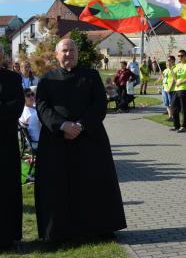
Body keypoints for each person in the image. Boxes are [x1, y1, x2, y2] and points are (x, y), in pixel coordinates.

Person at [35, 39, 126, 242]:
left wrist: (80, 125)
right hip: (56, 141)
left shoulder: (91, 76)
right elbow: (42, 107)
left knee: (94, 184)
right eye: (65, 51)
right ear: (57, 55)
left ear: (78, 54)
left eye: (72, 50)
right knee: (58, 187)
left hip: (89, 139)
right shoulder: (47, 79)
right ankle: (58, 232)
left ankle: (99, 229)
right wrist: (62, 125)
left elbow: (99, 104)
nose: (69, 54)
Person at [0, 45, 26, 249]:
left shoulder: (12, 79)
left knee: (6, 189)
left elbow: (16, 107)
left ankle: (7, 236)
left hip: (5, 143)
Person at [171, 50, 186, 133]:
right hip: (177, 89)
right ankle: (176, 125)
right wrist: (173, 71)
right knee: (173, 107)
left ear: (185, 56)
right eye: (178, 56)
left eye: (181, 55)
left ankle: (184, 126)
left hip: (184, 89)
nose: (180, 57)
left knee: (184, 109)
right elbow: (174, 75)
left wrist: (181, 81)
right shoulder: (177, 65)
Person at [158, 55, 176, 121]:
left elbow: (174, 80)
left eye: (169, 60)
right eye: (167, 61)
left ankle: (173, 116)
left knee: (171, 104)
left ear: (173, 61)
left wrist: (170, 88)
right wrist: (162, 75)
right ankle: (170, 116)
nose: (167, 62)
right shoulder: (166, 70)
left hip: (170, 89)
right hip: (164, 88)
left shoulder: (174, 69)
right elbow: (164, 79)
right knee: (166, 103)